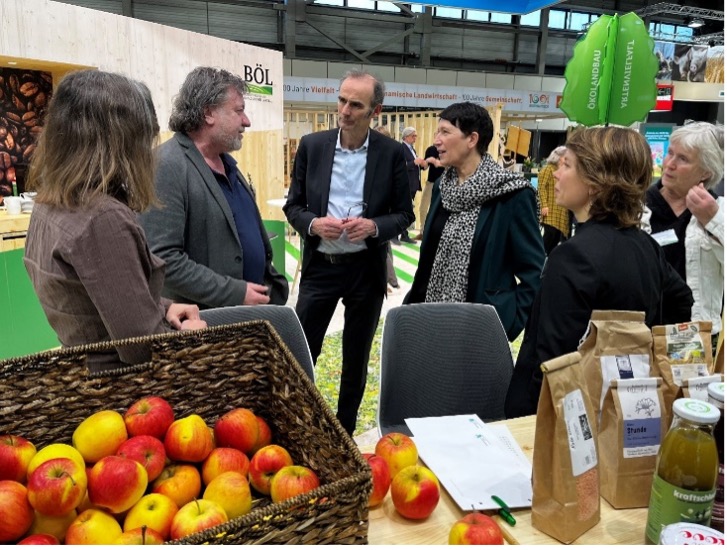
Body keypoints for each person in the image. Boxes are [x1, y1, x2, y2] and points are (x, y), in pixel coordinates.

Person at [505, 127, 694, 419]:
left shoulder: (573, 256)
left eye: (566, 165)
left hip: (561, 418)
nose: (555, 173)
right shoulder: (646, 245)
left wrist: (529, 422)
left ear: (595, 182)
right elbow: (681, 299)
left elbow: (552, 361)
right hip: (621, 410)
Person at [23, 70, 206, 371]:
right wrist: (191, 338)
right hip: (121, 393)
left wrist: (165, 306)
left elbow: (98, 298)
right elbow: (143, 348)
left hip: (83, 374)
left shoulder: (50, 201)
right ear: (123, 143)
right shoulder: (102, 218)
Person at [284, 69, 414, 435]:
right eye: (341, 100)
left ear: (376, 109)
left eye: (356, 104)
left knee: (355, 359)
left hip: (365, 270)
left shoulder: (391, 153)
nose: (344, 110)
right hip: (321, 267)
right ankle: (296, 426)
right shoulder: (312, 146)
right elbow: (293, 206)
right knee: (301, 352)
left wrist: (374, 227)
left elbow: (405, 214)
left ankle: (344, 433)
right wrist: (312, 224)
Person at [139, 67, 288, 309]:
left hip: (247, 316)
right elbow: (162, 259)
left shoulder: (228, 164)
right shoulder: (166, 165)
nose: (246, 121)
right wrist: (235, 293)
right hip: (205, 326)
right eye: (239, 111)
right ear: (208, 113)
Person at [405, 102, 545, 343]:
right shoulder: (443, 188)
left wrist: (508, 321)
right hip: (429, 320)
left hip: (480, 331)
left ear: (472, 139)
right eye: (437, 132)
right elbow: (428, 261)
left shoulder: (511, 194)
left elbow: (534, 272)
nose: (436, 140)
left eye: (445, 132)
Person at [642, 122, 723, 344]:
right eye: (670, 153)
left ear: (706, 171)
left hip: (696, 336)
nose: (669, 164)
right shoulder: (639, 206)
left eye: (683, 159)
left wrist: (714, 220)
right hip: (643, 331)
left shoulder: (719, 211)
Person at [373, 124, 400, 291]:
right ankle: (390, 279)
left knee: (380, 247)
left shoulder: (381, 158)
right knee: (385, 246)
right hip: (386, 210)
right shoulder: (391, 157)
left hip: (380, 210)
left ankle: (387, 280)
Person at [538, 146, 570, 255]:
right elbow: (541, 188)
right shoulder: (547, 169)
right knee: (549, 235)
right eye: (564, 157)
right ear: (558, 157)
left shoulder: (561, 170)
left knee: (556, 237)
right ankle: (539, 258)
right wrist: (544, 205)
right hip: (550, 210)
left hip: (560, 210)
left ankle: (548, 261)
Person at [398, 127, 427, 244]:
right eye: (413, 136)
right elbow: (400, 166)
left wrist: (423, 164)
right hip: (407, 183)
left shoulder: (411, 149)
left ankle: (404, 233)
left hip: (413, 183)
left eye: (415, 136)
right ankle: (403, 234)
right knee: (406, 209)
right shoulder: (401, 148)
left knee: (408, 208)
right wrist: (413, 163)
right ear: (406, 137)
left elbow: (414, 165)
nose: (415, 138)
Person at [414, 141, 444, 240]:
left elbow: (451, 165)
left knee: (439, 211)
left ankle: (435, 235)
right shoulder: (431, 149)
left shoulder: (448, 150)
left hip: (444, 184)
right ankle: (423, 232)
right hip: (430, 183)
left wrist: (436, 162)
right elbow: (425, 166)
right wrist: (423, 163)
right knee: (423, 208)